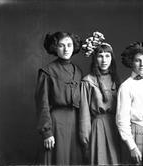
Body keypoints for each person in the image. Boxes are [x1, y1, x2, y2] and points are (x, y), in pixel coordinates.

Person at [35, 31, 83, 165]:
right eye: (61, 45)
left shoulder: (78, 71)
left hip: (75, 123)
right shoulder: (47, 71)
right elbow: (42, 104)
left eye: (69, 45)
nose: (66, 49)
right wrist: (47, 132)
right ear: (55, 48)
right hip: (57, 124)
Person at [79, 32, 121, 165]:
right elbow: (84, 113)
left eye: (107, 56)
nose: (104, 60)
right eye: (100, 56)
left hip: (115, 127)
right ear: (95, 59)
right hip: (97, 127)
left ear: (111, 58)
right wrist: (86, 138)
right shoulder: (87, 81)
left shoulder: (117, 80)